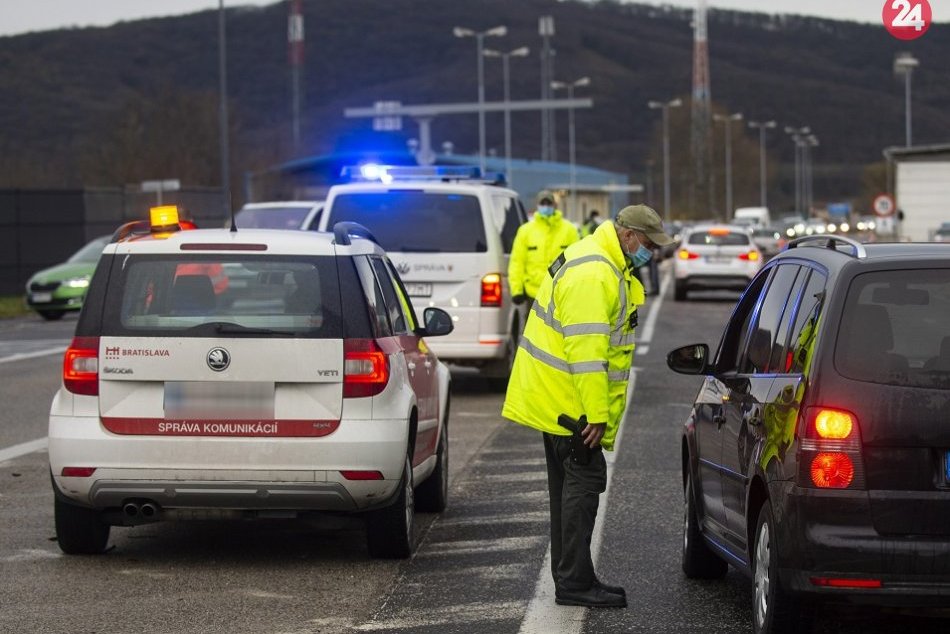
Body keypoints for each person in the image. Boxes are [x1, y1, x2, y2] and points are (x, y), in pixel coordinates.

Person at [502, 204, 673, 608]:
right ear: (628, 235)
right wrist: (596, 415)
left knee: (567, 491)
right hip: (572, 405)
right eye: (648, 244)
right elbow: (587, 353)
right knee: (583, 486)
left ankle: (573, 576)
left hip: (558, 397)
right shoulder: (595, 273)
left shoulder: (598, 260)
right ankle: (574, 582)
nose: (650, 253)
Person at [508, 190, 579, 307]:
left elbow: (577, 260)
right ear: (537, 205)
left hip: (561, 293)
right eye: (543, 203)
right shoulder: (525, 231)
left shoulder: (569, 230)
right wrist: (517, 290)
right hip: (533, 294)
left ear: (554, 205)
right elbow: (517, 262)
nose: (546, 207)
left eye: (548, 203)